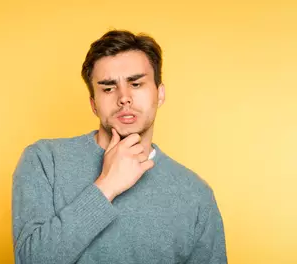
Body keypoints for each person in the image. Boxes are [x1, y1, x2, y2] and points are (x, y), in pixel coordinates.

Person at [12, 29, 227, 264]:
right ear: (94, 104)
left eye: (136, 84)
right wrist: (107, 185)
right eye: (108, 88)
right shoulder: (45, 161)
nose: (124, 97)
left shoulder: (195, 194)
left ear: (160, 93)